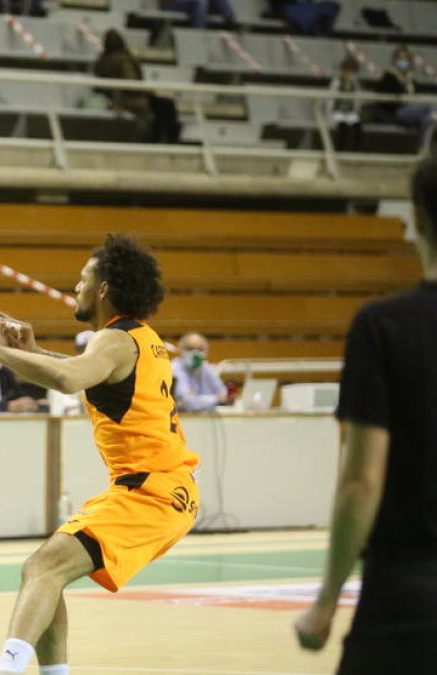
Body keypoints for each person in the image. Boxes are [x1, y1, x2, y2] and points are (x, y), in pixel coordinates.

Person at [0, 234, 200, 674]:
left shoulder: (115, 340)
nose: (76, 286)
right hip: (163, 490)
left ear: (104, 288)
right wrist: (31, 353)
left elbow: (72, 379)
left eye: (83, 278)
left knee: (42, 568)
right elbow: (88, 373)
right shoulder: (137, 339)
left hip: (151, 492)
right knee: (43, 572)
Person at [293, 157, 437, 671]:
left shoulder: (384, 326)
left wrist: (326, 602)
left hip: (408, 594)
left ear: (416, 217)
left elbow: (361, 480)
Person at [93, 30, 181, 144]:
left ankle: (161, 139)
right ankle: (166, 140)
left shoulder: (102, 60)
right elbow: (132, 83)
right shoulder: (124, 59)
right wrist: (152, 92)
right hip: (130, 98)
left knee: (163, 105)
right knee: (166, 105)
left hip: (118, 97)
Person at [373, 45, 435, 148]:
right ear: (395, 59)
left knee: (428, 119)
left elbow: (416, 95)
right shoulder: (389, 77)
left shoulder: (411, 79)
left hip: (414, 110)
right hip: (398, 111)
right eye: (401, 58)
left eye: (406, 59)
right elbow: (381, 94)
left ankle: (424, 150)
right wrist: (400, 80)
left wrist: (408, 81)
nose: (403, 61)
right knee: (429, 107)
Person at [171, 332, 230, 413]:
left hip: (205, 420)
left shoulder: (205, 367)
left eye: (199, 349)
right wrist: (216, 399)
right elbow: (187, 403)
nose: (195, 353)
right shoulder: (174, 368)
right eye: (190, 348)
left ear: (206, 352)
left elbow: (224, 394)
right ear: (180, 350)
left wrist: (200, 400)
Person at [327, 55, 362, 152]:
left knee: (357, 127)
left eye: (352, 70)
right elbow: (331, 99)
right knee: (343, 128)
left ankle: (354, 152)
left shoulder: (354, 82)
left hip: (350, 113)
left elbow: (357, 99)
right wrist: (329, 117)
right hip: (337, 112)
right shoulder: (337, 81)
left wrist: (356, 113)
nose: (349, 72)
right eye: (348, 69)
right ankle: (339, 151)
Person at [159, 0, 236, 28]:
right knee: (200, 2)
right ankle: (199, 35)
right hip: (171, 4)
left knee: (201, 3)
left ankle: (230, 20)